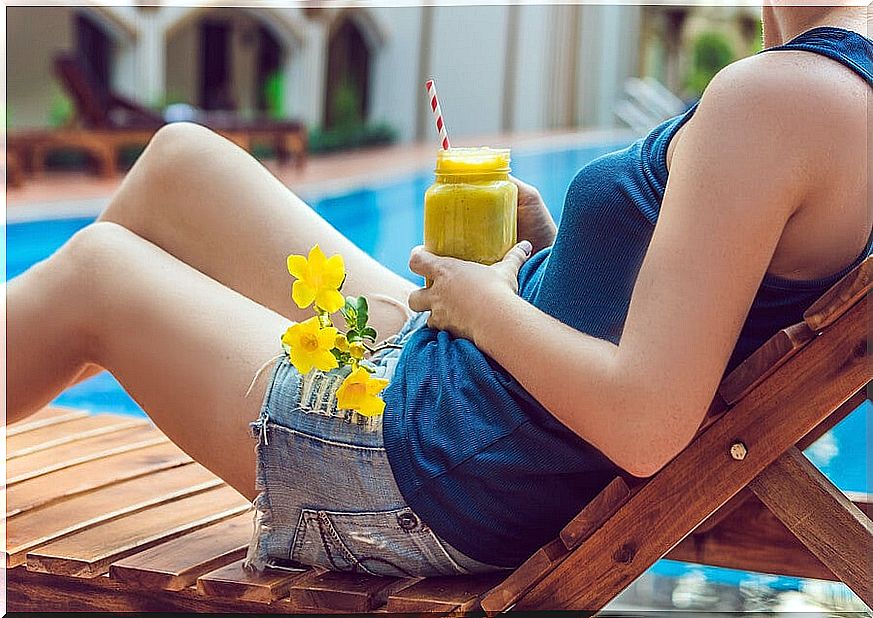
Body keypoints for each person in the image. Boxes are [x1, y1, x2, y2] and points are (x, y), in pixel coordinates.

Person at [7, 5, 871, 577]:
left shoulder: (778, 100)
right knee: (179, 165)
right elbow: (685, 317)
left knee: (98, 272)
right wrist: (552, 257)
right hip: (467, 402)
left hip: (432, 469)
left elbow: (645, 423)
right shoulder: (822, 79)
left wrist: (484, 305)